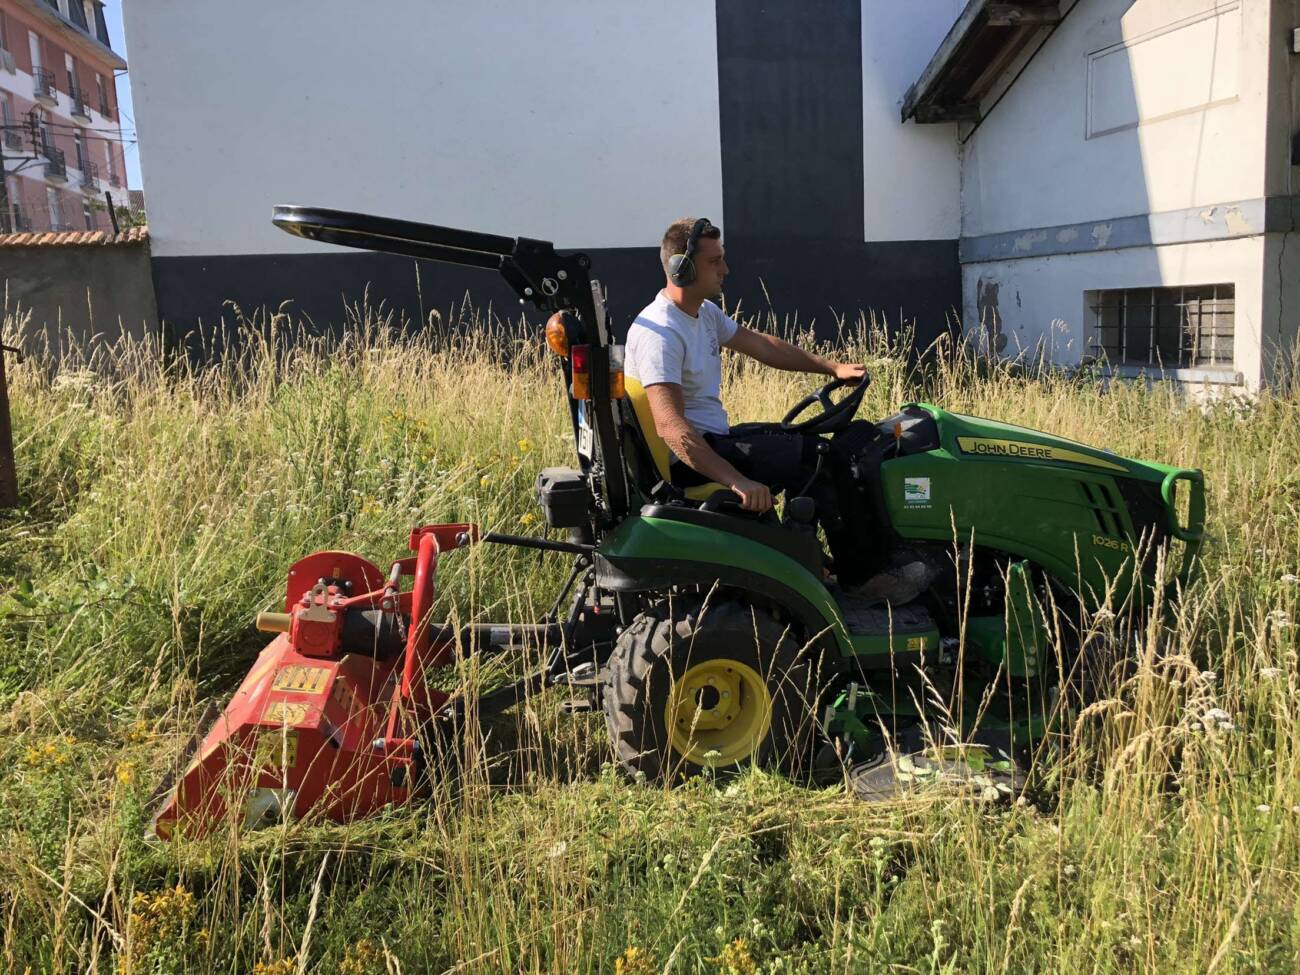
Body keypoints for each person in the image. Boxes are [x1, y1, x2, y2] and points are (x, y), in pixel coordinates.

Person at [625, 216, 931, 603]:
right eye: (714, 261)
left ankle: (814, 560)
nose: (725, 269)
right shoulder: (662, 334)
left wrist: (831, 367)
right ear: (682, 270)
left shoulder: (702, 314)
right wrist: (738, 481)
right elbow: (671, 428)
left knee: (826, 441)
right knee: (820, 459)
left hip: (712, 441)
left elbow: (764, 346)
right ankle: (861, 578)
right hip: (692, 459)